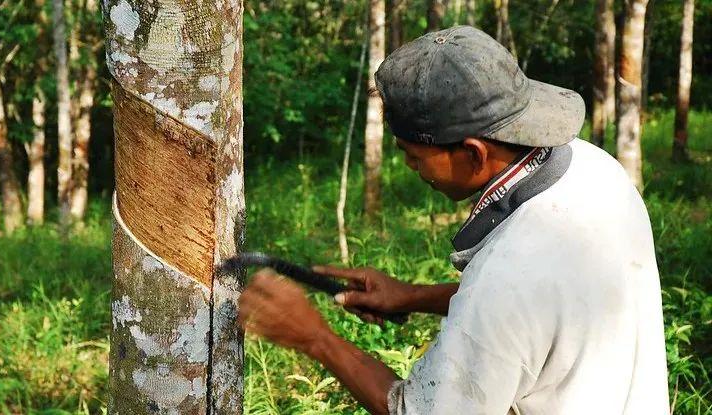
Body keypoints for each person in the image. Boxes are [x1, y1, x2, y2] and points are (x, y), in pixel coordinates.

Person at [237, 26, 670, 414]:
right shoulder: (591, 167)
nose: (409, 167)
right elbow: (540, 306)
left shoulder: (508, 279)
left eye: (414, 155)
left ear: (473, 152)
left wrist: (313, 337)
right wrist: (413, 296)